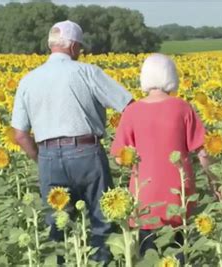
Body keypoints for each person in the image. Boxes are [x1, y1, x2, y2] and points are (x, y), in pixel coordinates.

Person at [11, 20, 132, 265]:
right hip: (86, 152)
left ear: (51, 45)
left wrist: (41, 158)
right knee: (103, 219)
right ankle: (101, 262)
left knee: (58, 228)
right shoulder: (87, 72)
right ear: (74, 46)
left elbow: (20, 134)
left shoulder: (28, 80)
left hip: (47, 156)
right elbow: (129, 107)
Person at [110, 53, 220, 264]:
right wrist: (214, 182)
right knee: (179, 252)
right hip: (178, 193)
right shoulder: (183, 108)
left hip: (144, 195)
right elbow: (203, 152)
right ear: (171, 76)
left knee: (148, 255)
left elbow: (118, 157)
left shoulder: (132, 111)